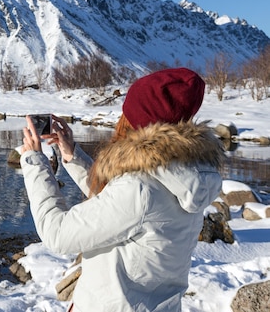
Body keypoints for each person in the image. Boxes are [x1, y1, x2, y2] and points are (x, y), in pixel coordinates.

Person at [20, 67, 224, 312]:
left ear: (138, 122)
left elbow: (57, 234)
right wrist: (73, 156)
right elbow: (118, 205)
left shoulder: (139, 189)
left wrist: (34, 161)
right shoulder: (185, 177)